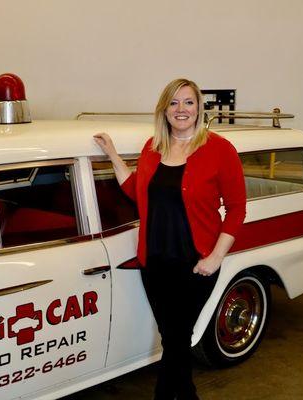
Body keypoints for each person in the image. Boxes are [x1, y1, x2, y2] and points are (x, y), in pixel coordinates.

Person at [93, 78, 246, 400]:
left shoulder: (220, 149)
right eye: (174, 103)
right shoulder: (153, 148)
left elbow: (236, 209)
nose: (181, 110)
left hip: (197, 263)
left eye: (188, 102)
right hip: (155, 262)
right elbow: (136, 190)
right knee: (172, 335)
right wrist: (112, 155)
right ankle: (187, 394)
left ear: (199, 108)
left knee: (176, 337)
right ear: (163, 110)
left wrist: (215, 258)